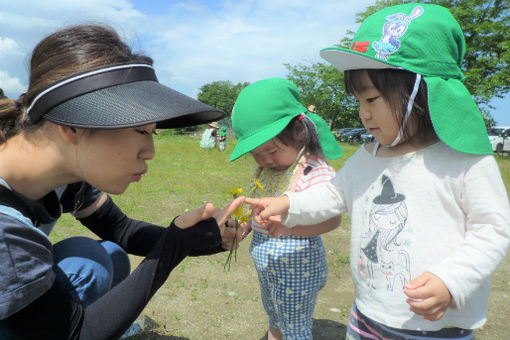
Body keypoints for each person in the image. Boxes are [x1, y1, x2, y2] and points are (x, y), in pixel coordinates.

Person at [246, 4, 510, 340]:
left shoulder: (464, 160)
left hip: (432, 326)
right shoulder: (367, 156)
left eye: (372, 99)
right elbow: (333, 195)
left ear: (421, 92)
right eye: (358, 101)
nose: (363, 114)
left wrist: (451, 281)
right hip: (367, 315)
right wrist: (288, 205)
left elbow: (493, 228)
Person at [0, 24, 245, 340]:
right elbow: (77, 334)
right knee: (90, 265)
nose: (151, 152)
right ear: (70, 124)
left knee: (110, 254)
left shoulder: (68, 175)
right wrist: (174, 246)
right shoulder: (5, 231)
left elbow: (122, 231)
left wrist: (198, 240)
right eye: (141, 131)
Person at [229, 77, 344, 340]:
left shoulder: (312, 171)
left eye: (272, 151)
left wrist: (292, 225)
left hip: (298, 269)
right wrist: (243, 226)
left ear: (299, 133)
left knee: (295, 330)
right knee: (275, 317)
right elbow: (256, 206)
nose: (267, 160)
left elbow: (333, 218)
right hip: (268, 267)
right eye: (257, 155)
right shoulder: (266, 171)